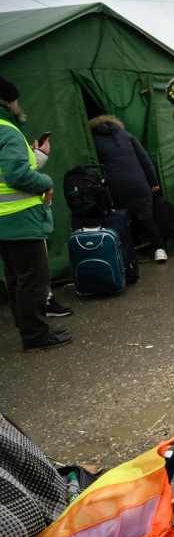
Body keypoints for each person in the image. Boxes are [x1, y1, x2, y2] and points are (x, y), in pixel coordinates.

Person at [0, 76, 71, 351]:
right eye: (16, 100)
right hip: (20, 220)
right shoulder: (8, 131)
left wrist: (37, 158)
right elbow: (17, 174)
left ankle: (29, 331)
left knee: (17, 280)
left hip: (4, 223)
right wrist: (47, 182)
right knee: (34, 282)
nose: (19, 105)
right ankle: (36, 336)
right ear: (7, 101)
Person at [88, 115, 167, 262]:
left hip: (117, 189)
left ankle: (129, 257)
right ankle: (159, 250)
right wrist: (154, 182)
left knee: (123, 222)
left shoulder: (94, 142)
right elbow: (145, 159)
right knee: (147, 219)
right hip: (140, 185)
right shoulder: (127, 135)